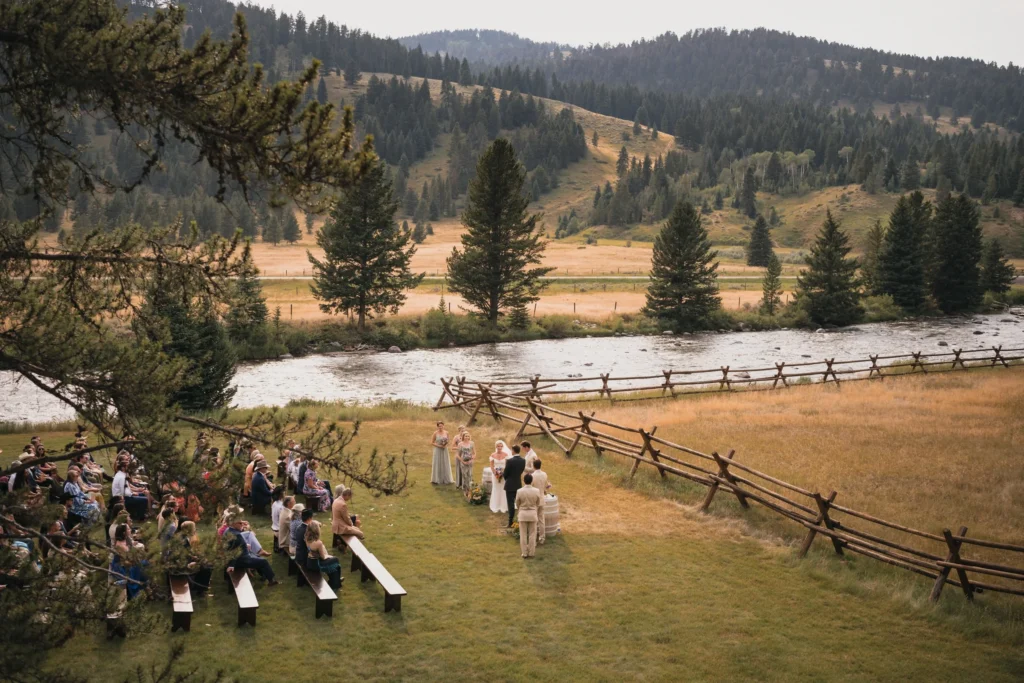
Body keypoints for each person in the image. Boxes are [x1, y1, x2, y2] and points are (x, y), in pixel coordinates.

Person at [224, 507, 279, 586]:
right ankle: (272, 580)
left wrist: (245, 545)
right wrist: (232, 565)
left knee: (257, 557)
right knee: (264, 561)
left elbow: (233, 547)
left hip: (241, 556)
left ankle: (264, 575)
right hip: (242, 559)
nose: (242, 524)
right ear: (233, 524)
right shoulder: (236, 535)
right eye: (239, 523)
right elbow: (235, 553)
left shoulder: (229, 530)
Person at [175, 521, 213, 597]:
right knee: (206, 568)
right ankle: (201, 591)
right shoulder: (182, 540)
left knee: (207, 564)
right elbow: (180, 556)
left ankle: (199, 587)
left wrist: (196, 557)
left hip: (185, 561)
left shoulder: (183, 537)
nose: (195, 529)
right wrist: (190, 563)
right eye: (194, 528)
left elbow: (187, 553)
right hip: (181, 565)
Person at [304, 520, 343, 590]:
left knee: (334, 565)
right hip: (317, 564)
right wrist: (330, 556)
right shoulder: (318, 543)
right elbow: (323, 557)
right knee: (336, 561)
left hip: (310, 561)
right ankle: (335, 583)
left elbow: (314, 552)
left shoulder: (306, 538)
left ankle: (336, 582)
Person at [515, 474, 543, 559]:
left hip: (523, 514)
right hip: (532, 514)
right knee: (532, 534)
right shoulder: (536, 491)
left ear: (524, 481)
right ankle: (531, 552)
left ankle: (524, 553)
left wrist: (521, 508)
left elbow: (517, 503)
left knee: (523, 534)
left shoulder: (519, 491)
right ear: (531, 481)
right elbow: (538, 502)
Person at [503, 446, 526, 528]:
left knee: (511, 504)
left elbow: (505, 474)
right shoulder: (523, 460)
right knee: (519, 503)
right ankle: (520, 520)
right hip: (518, 484)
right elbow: (521, 471)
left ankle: (510, 522)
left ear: (513, 451)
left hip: (509, 485)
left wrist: (507, 479)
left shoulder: (509, 461)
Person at [530, 459, 550, 545]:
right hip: (542, 499)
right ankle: (542, 538)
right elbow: (546, 486)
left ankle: (533, 539)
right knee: (541, 520)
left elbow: (530, 488)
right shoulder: (544, 474)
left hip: (534, 500)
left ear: (534, 466)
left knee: (534, 520)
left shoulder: (532, 476)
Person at [488, 441, 511, 514]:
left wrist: (503, 473)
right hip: (495, 474)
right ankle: (496, 505)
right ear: (496, 447)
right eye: (498, 446)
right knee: (496, 488)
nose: (500, 448)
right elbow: (491, 465)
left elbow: (507, 466)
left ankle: (503, 506)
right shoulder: (492, 455)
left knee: (503, 489)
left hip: (504, 474)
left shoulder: (506, 455)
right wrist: (495, 473)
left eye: (501, 446)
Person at [270, 486, 285, 551]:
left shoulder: (274, 503)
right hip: (279, 528)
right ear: (281, 494)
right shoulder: (281, 507)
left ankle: (277, 544)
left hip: (275, 526)